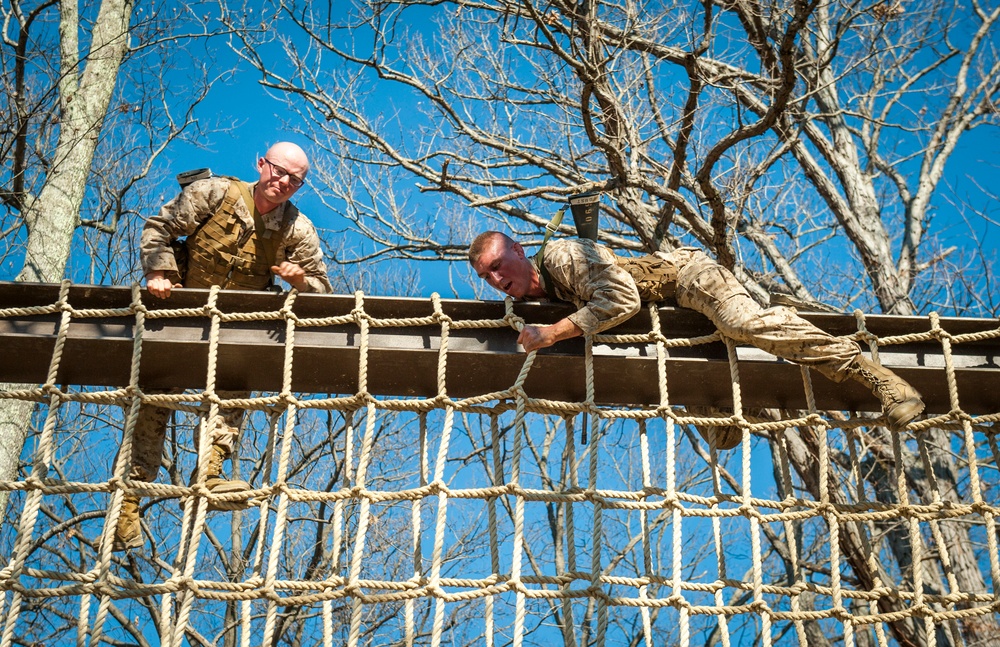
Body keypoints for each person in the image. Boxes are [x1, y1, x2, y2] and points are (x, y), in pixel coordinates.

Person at [468, 231, 924, 447]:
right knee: (723, 434)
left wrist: (553, 332)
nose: (494, 279)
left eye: (496, 265)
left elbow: (622, 297)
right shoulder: (538, 301)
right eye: (485, 275)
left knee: (742, 323)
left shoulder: (562, 256)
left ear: (519, 251)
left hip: (688, 280)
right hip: (668, 328)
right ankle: (758, 398)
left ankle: (874, 375)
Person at [113, 142, 333, 551]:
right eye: (279, 172)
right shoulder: (213, 193)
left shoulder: (296, 229)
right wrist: (159, 271)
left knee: (234, 387)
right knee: (152, 403)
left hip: (234, 328)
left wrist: (299, 280)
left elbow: (322, 288)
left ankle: (210, 473)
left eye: (295, 180)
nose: (283, 183)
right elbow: (159, 227)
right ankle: (126, 505)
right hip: (179, 314)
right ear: (261, 163)